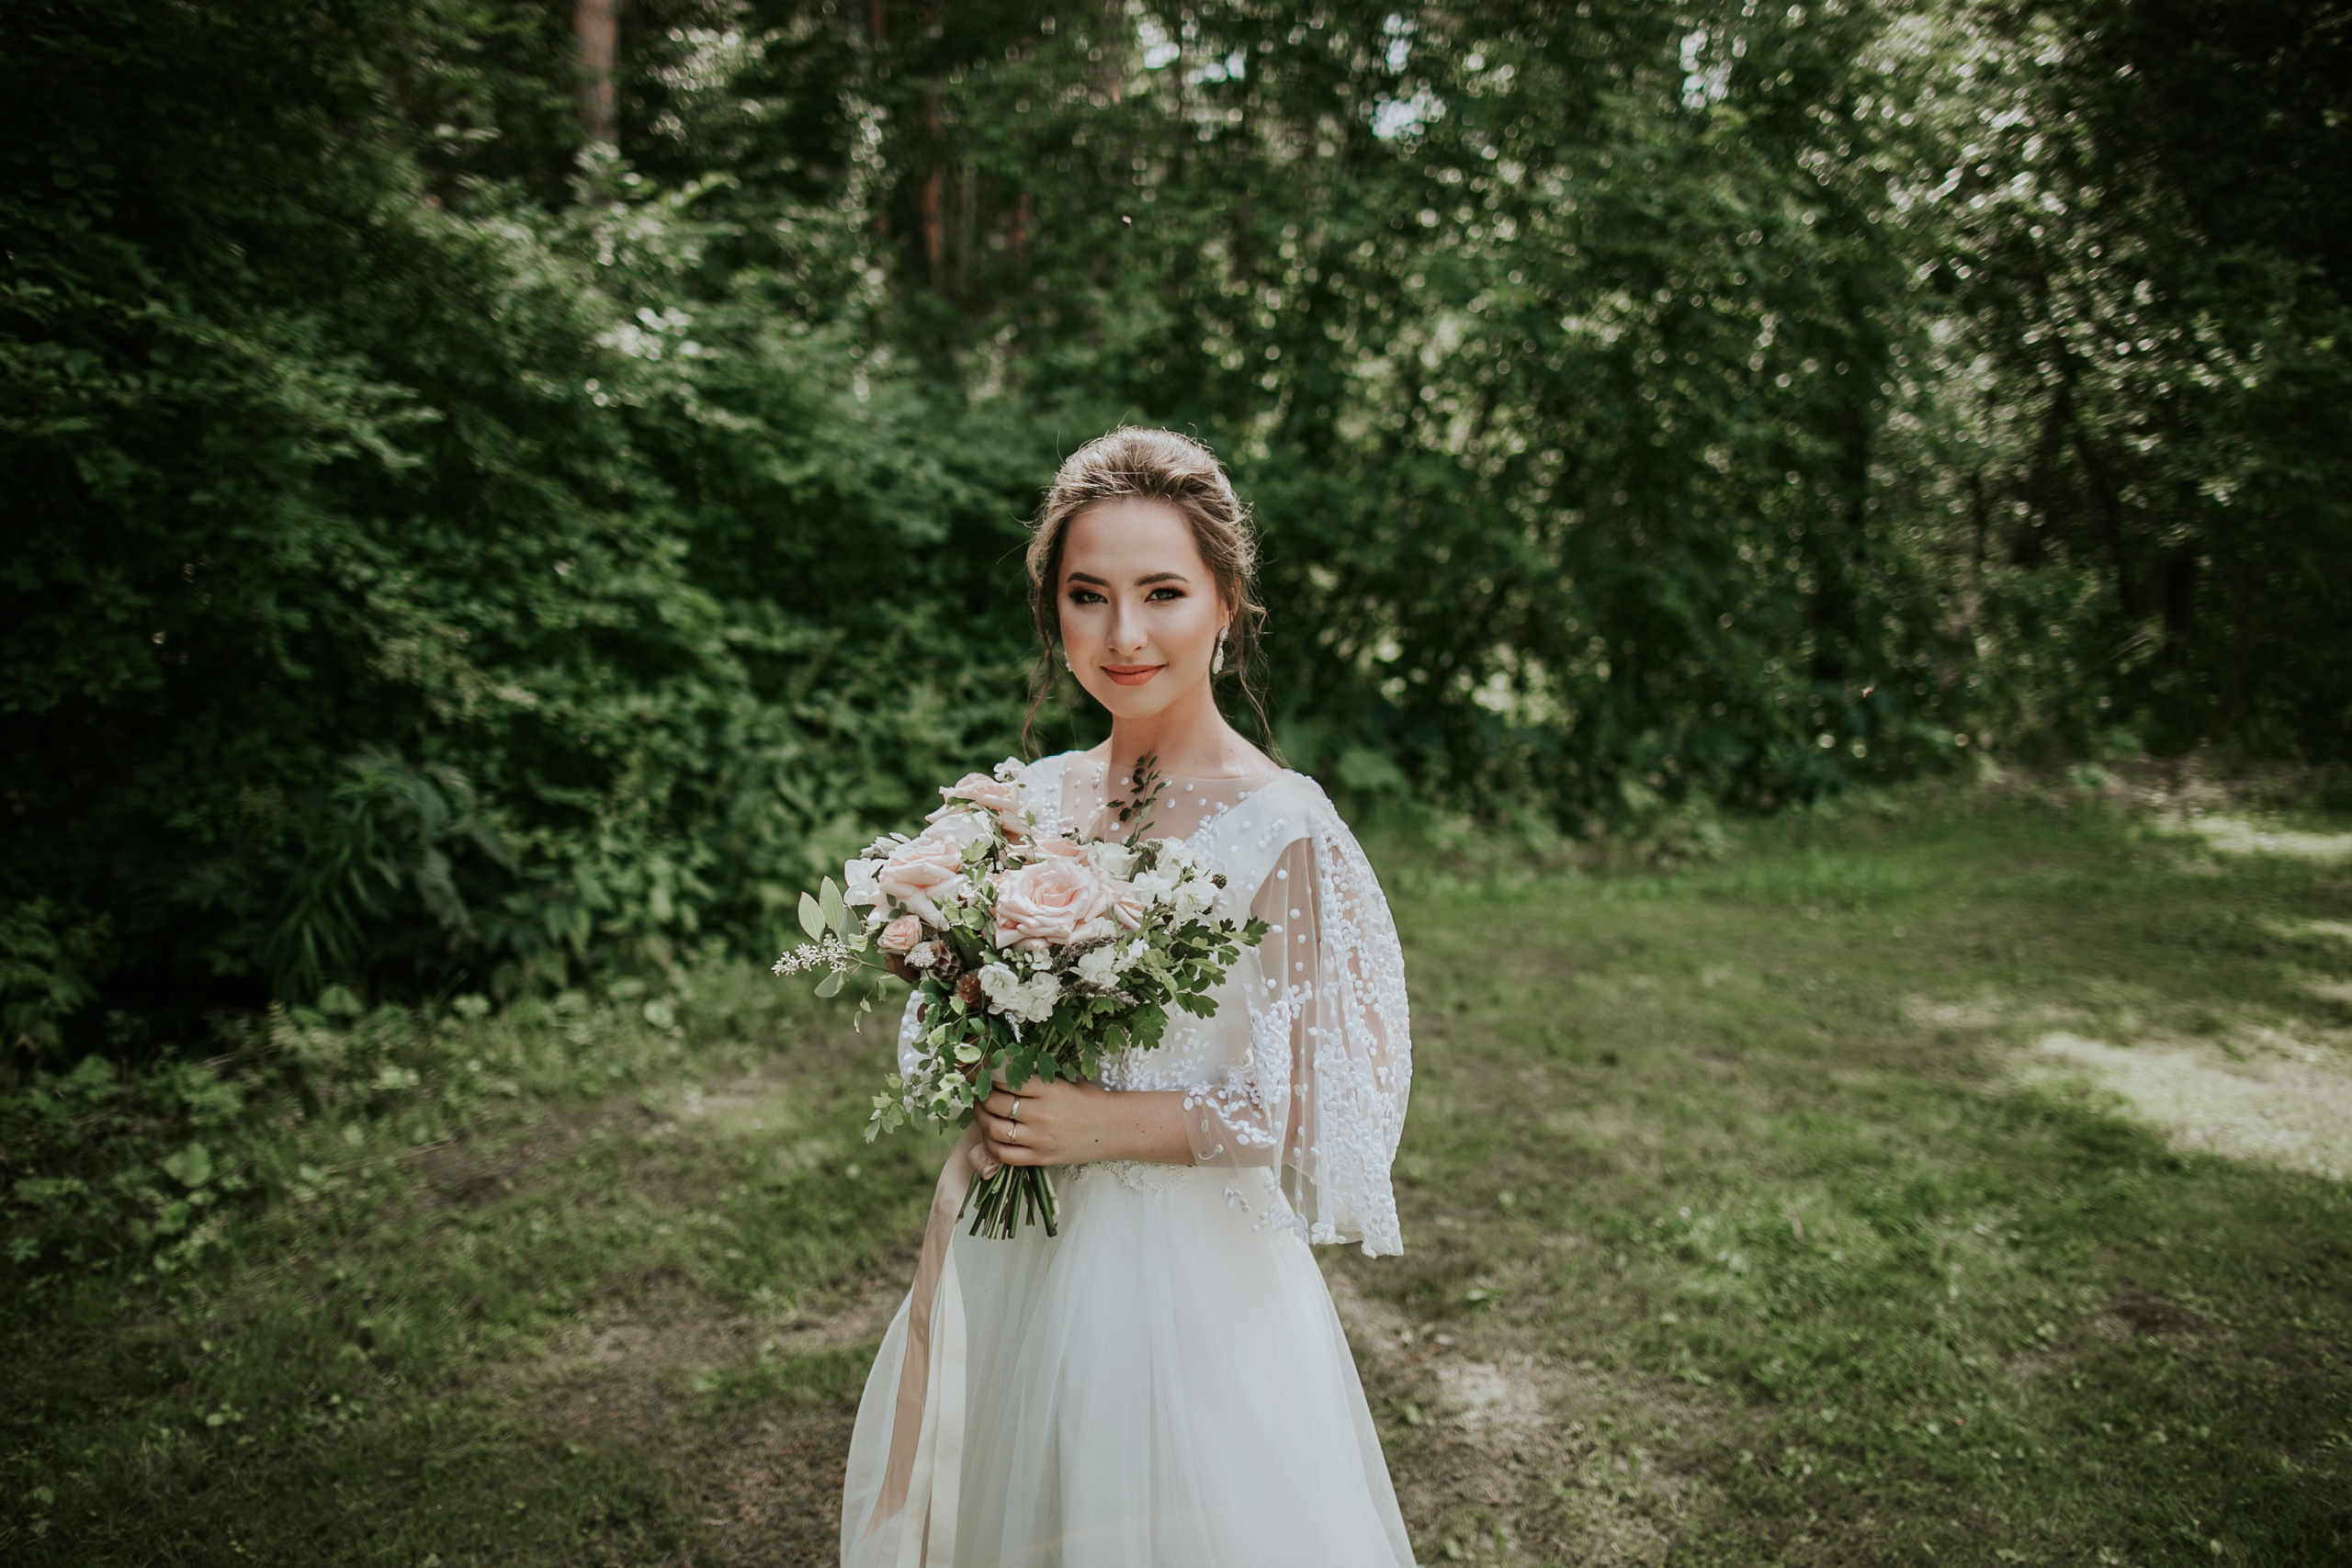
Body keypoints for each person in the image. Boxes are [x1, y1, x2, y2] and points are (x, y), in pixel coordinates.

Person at [840, 427, 1417, 1568]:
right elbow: (958, 1023)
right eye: (1087, 596)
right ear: (1052, 609)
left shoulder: (1284, 827)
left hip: (1187, 1281)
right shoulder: (1026, 803)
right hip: (1019, 1251)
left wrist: (1104, 1126)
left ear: (1226, 600)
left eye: (1161, 592)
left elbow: (1329, 1107)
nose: (1124, 636)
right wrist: (965, 1007)